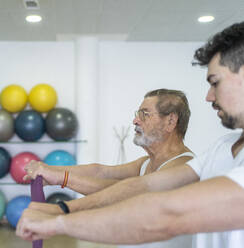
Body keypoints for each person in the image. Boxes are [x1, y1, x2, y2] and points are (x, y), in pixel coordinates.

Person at [16, 21, 244, 248]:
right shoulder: (222, 147)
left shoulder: (185, 160)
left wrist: (58, 221)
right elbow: (135, 185)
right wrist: (57, 185)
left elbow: (164, 213)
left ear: (171, 121)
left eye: (215, 82)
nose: (209, 97)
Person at [24, 88, 194, 196]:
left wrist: (61, 178)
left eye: (144, 114)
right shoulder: (146, 163)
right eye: (137, 114)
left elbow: (119, 192)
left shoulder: (183, 167)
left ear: (171, 121)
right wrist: (47, 169)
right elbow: (100, 172)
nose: (135, 120)